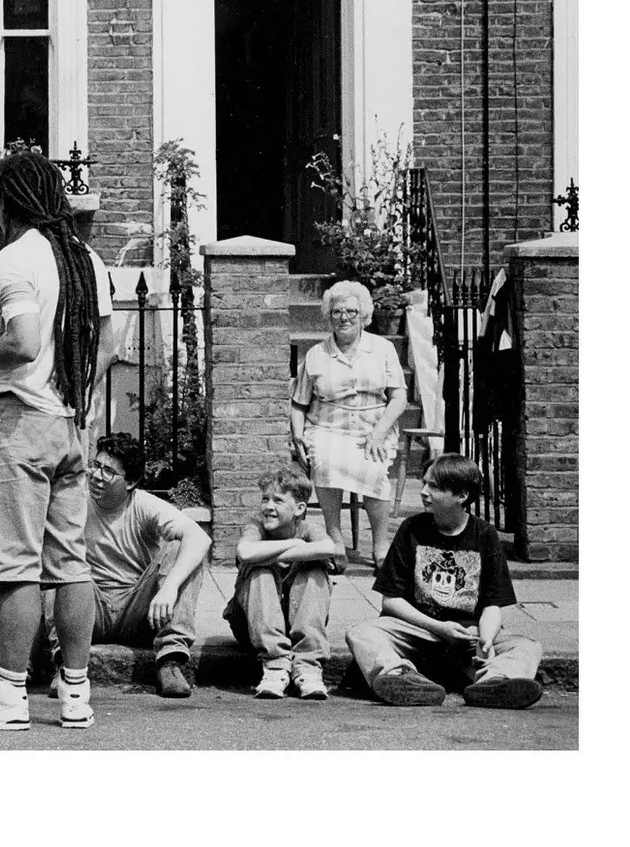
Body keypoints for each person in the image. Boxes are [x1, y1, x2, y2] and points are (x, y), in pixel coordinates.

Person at [0, 151, 115, 731]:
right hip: (68, 425)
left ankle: (9, 694)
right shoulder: (87, 258)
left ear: (9, 201)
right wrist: (76, 392)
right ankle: (75, 694)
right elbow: (108, 346)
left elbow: (21, 343)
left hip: (19, 421)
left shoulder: (17, 256)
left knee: (14, 566)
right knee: (70, 563)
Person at [346, 454, 543, 708]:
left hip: (468, 635)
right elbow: (391, 601)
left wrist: (486, 641)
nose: (424, 492)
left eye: (434, 487)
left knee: (528, 647)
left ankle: (494, 682)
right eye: (424, 483)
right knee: (361, 633)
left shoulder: (485, 534)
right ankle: (401, 677)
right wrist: (440, 628)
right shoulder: (411, 528)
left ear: (461, 496)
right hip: (418, 632)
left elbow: (493, 604)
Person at [62, 432, 210, 698]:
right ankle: (62, 664)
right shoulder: (76, 504)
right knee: (56, 553)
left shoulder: (143, 504)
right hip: (90, 607)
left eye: (108, 471)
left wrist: (169, 587)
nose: (96, 476)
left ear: (130, 482)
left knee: (182, 549)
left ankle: (170, 662)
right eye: (95, 465)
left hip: (139, 611)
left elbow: (200, 537)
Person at [291, 280, 408, 569]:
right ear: (329, 316)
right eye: (337, 312)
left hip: (373, 428)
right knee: (325, 460)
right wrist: (297, 435)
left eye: (351, 312)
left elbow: (399, 398)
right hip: (327, 427)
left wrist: (378, 434)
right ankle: (335, 538)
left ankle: (380, 544)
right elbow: (298, 403)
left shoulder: (383, 349)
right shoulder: (316, 354)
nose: (344, 317)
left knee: (373, 467)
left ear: (364, 315)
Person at [224, 468, 343, 700]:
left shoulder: (309, 529)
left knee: (314, 571)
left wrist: (271, 555)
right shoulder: (256, 527)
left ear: (299, 508)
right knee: (259, 571)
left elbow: (330, 548)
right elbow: (246, 552)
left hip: (296, 622)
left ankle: (308, 667)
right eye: (265, 499)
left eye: (278, 500)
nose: (268, 507)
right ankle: (275, 666)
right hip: (251, 626)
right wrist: (296, 545)